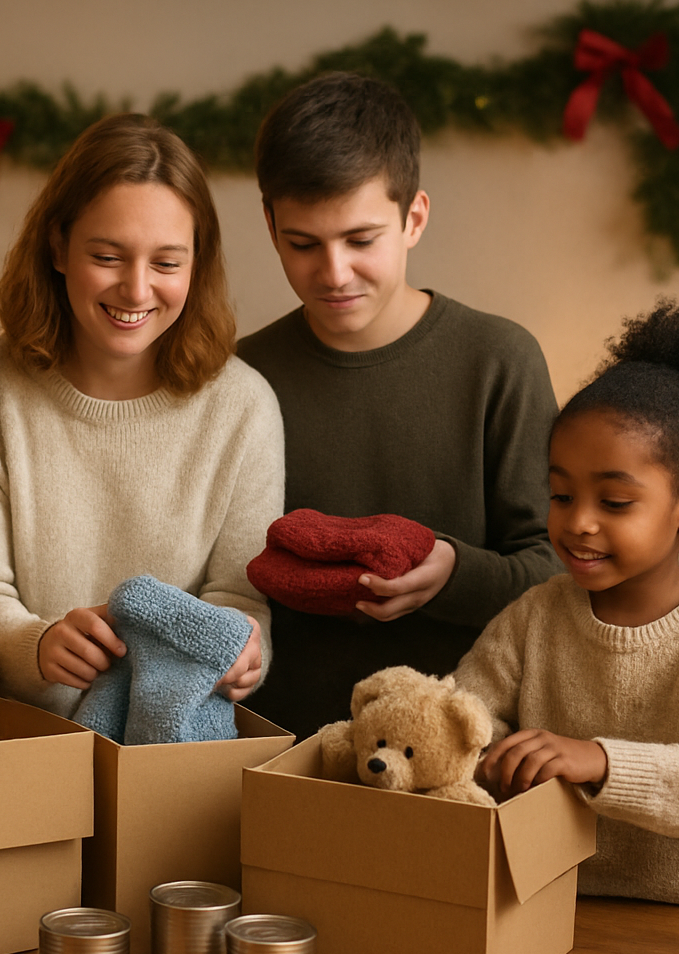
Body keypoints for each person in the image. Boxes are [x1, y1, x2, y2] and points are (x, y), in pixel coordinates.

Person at [236, 72, 560, 739]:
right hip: (278, 752)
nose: (332, 273)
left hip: (463, 758)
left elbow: (558, 572)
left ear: (414, 218)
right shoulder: (240, 377)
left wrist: (451, 572)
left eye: (361, 240)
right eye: (302, 244)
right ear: (269, 224)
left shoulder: (500, 360)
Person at [456, 299, 679, 922]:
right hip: (568, 916)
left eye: (614, 502)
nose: (578, 521)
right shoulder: (534, 616)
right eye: (561, 494)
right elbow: (463, 726)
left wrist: (599, 758)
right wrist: (488, 760)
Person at [0, 114, 284, 721]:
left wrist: (242, 656)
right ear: (57, 246)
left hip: (176, 745)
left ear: (198, 263)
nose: (136, 290)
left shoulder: (244, 407)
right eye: (108, 256)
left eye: (166, 263)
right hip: (23, 742)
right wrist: (39, 644)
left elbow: (239, 598)